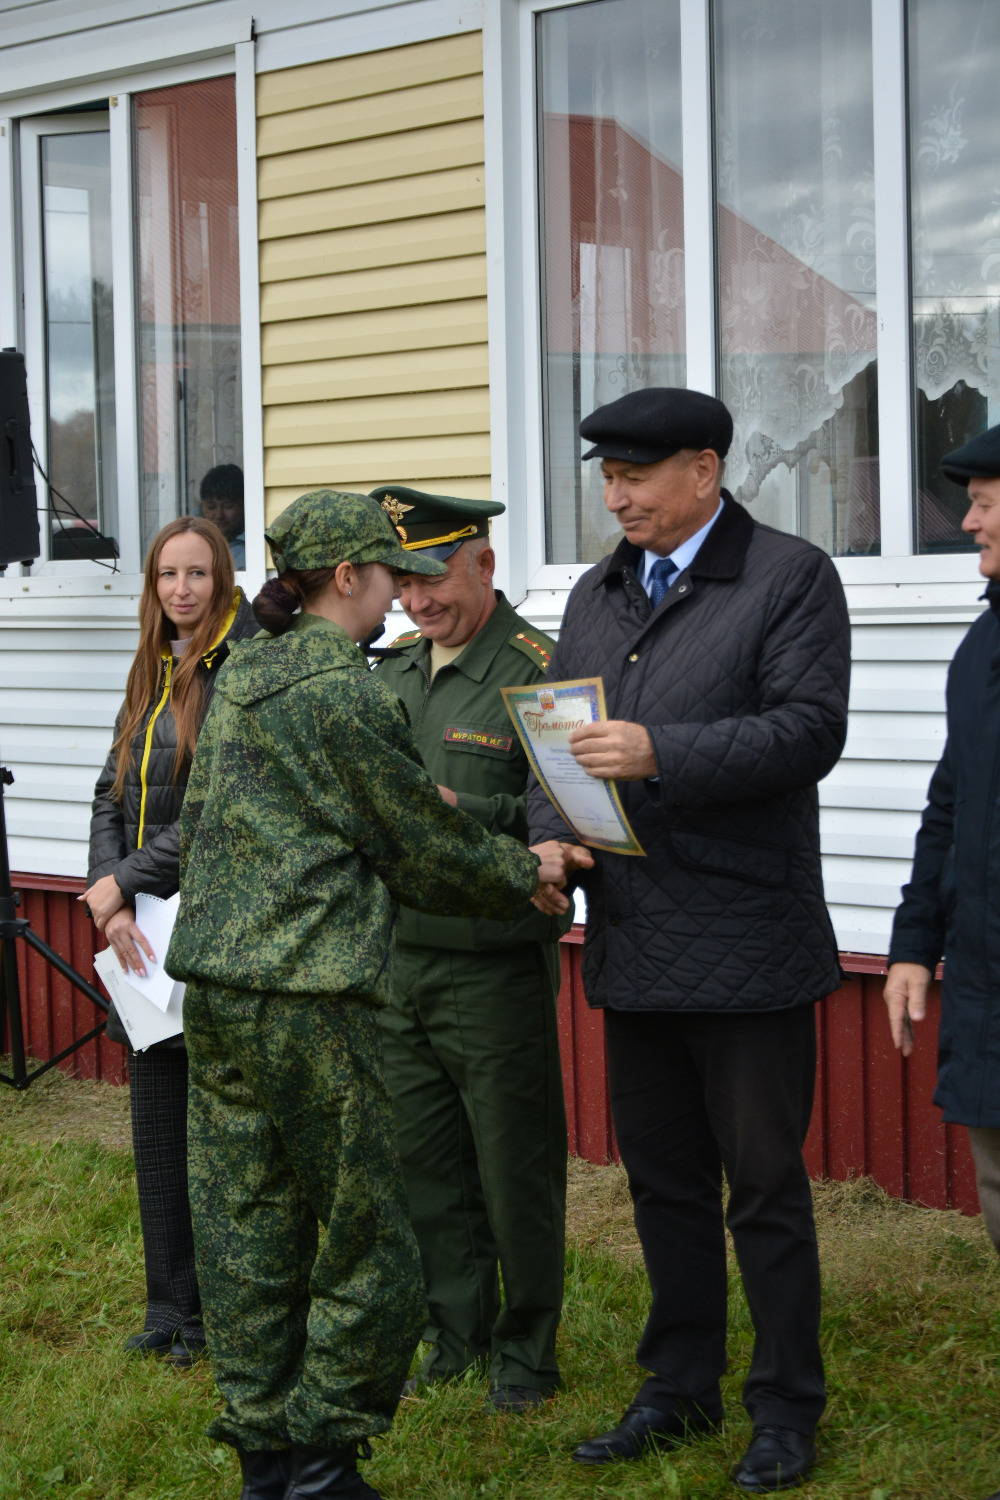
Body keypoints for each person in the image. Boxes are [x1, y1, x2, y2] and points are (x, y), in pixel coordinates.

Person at [164, 490, 587, 1500]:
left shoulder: (243, 671)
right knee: (370, 1237)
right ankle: (324, 1460)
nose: (401, 595)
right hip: (310, 998)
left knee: (246, 1228)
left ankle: (263, 1454)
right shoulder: (342, 690)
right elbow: (415, 841)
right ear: (347, 576)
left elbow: (209, 821)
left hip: (215, 994)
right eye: (390, 575)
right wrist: (523, 872)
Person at [527, 387, 852, 1492]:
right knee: (663, 1185)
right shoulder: (597, 592)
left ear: (704, 471)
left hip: (748, 940)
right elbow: (560, 746)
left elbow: (808, 731)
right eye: (608, 480)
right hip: (634, 937)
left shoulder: (790, 577)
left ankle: (786, 1406)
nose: (617, 498)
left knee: (762, 1189)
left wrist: (662, 751)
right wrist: (549, 843)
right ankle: (677, 1386)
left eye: (637, 477)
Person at [371, 485, 576, 1413]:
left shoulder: (541, 673)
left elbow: (568, 817)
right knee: (427, 1166)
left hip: (492, 965)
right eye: (405, 583)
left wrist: (467, 810)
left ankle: (526, 1355)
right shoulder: (392, 673)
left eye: (436, 580)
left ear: (485, 564)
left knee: (512, 1168)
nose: (418, 602)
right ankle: (455, 1339)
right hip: (399, 959)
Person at [81, 516, 257, 1367]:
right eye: (166, 575)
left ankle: (217, 1315)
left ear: (222, 580)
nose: (181, 589)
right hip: (139, 940)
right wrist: (110, 900)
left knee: (214, 1141)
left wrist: (127, 880)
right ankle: (169, 1308)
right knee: (155, 1132)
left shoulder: (239, 671)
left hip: (212, 932)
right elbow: (107, 790)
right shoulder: (149, 670)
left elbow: (221, 812)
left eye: (197, 573)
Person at [885, 427, 1000, 1497]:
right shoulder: (982, 644)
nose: (967, 521)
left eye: (986, 501)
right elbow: (949, 803)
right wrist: (914, 944)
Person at [199, 463, 245, 569]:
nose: (219, 515)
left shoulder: (253, 544)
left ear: (244, 504)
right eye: (211, 507)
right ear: (202, 507)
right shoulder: (194, 540)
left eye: (228, 506)